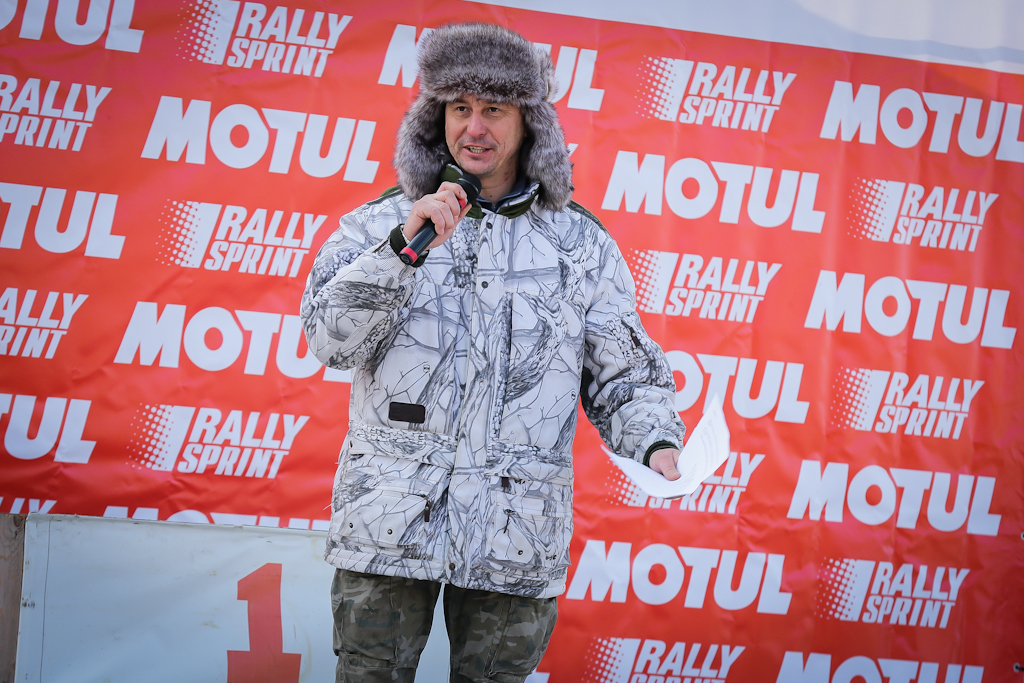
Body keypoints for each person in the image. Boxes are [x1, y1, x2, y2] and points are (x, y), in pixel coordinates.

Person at [300, 22, 687, 683]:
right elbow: (327, 340)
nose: (473, 128)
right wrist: (400, 252)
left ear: (529, 122)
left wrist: (655, 441)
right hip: (389, 523)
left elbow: (624, 373)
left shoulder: (579, 245)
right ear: (437, 116)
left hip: (514, 533)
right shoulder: (383, 223)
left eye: (494, 109)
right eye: (459, 108)